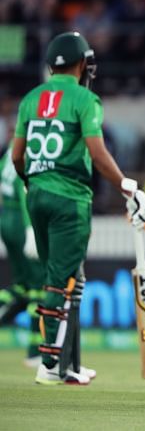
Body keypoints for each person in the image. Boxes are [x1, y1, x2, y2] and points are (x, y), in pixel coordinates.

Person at [11, 31, 145, 385]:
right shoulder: (84, 99)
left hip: (36, 193)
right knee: (64, 280)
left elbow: (16, 155)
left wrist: (31, 182)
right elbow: (97, 151)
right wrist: (126, 185)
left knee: (66, 277)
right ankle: (50, 365)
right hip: (70, 198)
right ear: (81, 63)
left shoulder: (30, 98)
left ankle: (70, 364)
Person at [1, 123, 45, 367]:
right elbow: (24, 189)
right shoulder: (29, 152)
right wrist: (30, 229)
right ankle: (34, 351)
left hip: (6, 219)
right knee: (39, 289)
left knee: (22, 288)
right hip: (20, 221)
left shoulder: (10, 151)